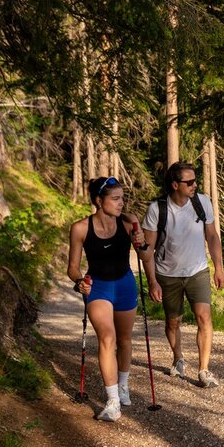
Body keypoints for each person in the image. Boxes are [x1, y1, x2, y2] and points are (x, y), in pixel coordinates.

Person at [67, 177, 146, 421]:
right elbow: (72, 267)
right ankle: (112, 402)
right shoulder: (80, 228)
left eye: (122, 198)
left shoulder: (129, 222)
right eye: (115, 198)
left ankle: (123, 385)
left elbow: (145, 255)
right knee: (107, 338)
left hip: (124, 284)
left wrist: (142, 243)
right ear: (99, 201)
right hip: (98, 287)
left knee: (124, 340)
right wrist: (79, 281)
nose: (121, 203)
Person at [141, 161, 224, 388]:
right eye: (189, 182)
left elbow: (212, 236)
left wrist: (219, 268)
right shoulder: (157, 209)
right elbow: (147, 250)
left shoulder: (202, 202)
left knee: (204, 317)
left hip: (198, 270)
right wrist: (152, 281)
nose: (194, 185)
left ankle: (203, 370)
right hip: (167, 274)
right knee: (173, 321)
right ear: (175, 185)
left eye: (195, 180)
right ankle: (178, 358)